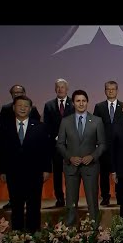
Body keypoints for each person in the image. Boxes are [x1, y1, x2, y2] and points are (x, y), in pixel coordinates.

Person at [0, 95, 52, 233]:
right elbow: (1, 150)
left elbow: (46, 149)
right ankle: (18, 236)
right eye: (19, 105)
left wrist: (47, 169)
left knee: (34, 205)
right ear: (13, 107)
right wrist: (2, 171)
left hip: (34, 173)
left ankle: (33, 235)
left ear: (30, 109)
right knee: (16, 205)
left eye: (26, 106)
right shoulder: (5, 127)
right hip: (13, 173)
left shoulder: (40, 127)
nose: (23, 108)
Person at [57, 89, 106, 226]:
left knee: (92, 201)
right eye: (78, 101)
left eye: (84, 101)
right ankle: (71, 232)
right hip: (71, 167)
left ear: (87, 102)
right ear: (73, 103)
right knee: (71, 202)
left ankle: (94, 231)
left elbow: (102, 144)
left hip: (90, 167)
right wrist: (69, 157)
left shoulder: (97, 121)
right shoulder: (65, 122)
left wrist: (92, 156)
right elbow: (60, 144)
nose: (81, 103)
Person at [0, 85, 41, 210]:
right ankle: (13, 201)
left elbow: (39, 130)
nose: (17, 94)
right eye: (15, 92)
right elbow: (2, 137)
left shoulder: (32, 109)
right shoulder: (6, 109)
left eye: (20, 92)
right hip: (13, 157)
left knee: (32, 196)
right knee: (14, 189)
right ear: (11, 95)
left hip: (30, 156)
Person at [43, 78, 75, 207]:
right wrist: (56, 137)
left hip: (71, 145)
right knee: (57, 173)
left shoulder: (74, 104)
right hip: (55, 145)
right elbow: (47, 125)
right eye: (58, 87)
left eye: (62, 87)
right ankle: (60, 198)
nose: (60, 89)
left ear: (67, 89)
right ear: (55, 89)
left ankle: (71, 198)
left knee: (71, 173)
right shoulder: (48, 105)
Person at [93, 80, 123, 206]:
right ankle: (105, 197)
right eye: (108, 89)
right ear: (105, 91)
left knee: (120, 172)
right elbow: (95, 125)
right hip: (104, 145)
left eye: (113, 89)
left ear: (117, 90)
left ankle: (120, 195)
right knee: (104, 173)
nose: (110, 91)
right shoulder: (99, 107)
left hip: (119, 146)